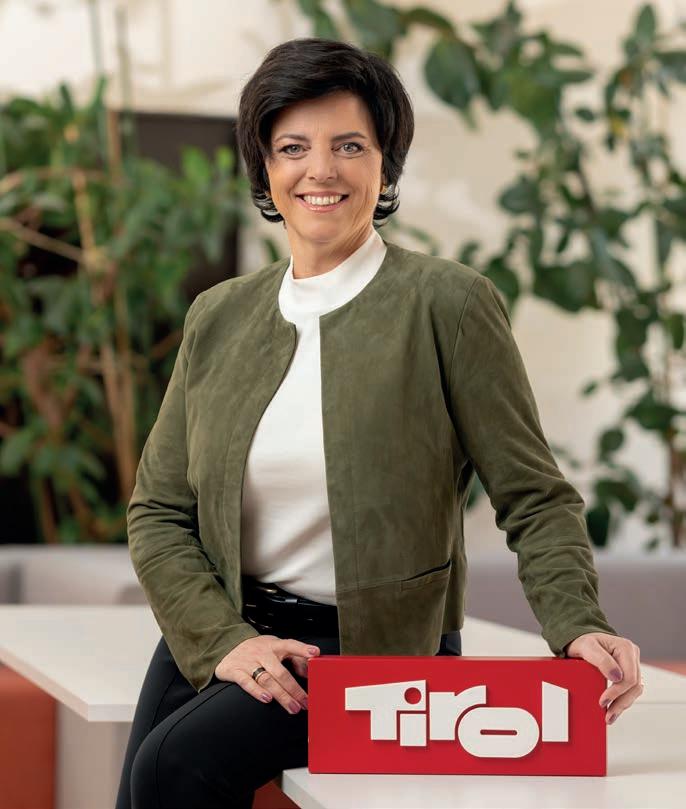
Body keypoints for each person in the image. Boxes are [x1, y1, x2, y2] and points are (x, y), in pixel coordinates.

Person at [115, 36, 643, 809]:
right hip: (227, 623)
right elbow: (159, 512)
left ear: (386, 165)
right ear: (264, 167)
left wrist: (578, 624)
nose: (320, 170)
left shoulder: (448, 304)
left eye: (349, 146)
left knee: (174, 767)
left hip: (371, 652)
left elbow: (535, 496)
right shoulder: (219, 315)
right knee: (140, 782)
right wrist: (225, 639)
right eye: (293, 147)